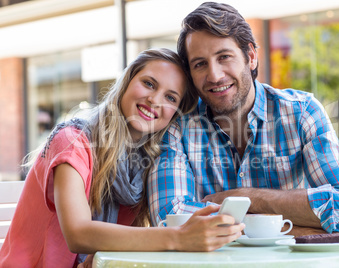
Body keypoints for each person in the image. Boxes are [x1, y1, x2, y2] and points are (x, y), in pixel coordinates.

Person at [0, 48, 245, 268]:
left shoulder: (146, 163)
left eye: (171, 98)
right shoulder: (73, 139)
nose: (154, 100)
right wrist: (179, 236)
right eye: (149, 84)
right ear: (126, 82)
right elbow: (78, 234)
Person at [147, 2, 339, 237]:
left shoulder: (302, 112)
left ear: (250, 57)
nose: (214, 75)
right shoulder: (177, 127)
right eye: (200, 64)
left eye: (224, 57)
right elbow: (170, 219)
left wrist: (246, 198)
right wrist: (295, 229)